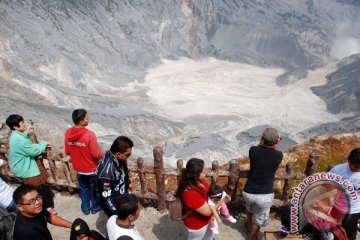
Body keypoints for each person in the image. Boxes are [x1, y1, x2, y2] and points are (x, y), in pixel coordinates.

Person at [6, 114, 56, 214]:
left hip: (21, 166)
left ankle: (43, 206)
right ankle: (46, 208)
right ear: (15, 126)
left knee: (36, 187)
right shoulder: (19, 139)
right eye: (22, 123)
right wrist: (43, 144)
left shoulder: (16, 135)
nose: (24, 125)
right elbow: (32, 151)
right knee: (39, 187)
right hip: (25, 167)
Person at [242, 127, 283, 240]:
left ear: (262, 139)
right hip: (264, 196)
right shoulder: (278, 155)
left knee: (249, 209)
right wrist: (277, 141)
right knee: (259, 219)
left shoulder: (253, 151)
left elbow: (260, 147)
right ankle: (252, 237)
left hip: (248, 192)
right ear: (276, 142)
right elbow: (274, 150)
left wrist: (264, 140)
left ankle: (249, 226)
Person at [65, 109, 103, 215]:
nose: (88, 119)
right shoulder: (89, 134)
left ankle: (86, 208)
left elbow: (68, 151)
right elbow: (96, 154)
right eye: (86, 117)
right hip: (91, 169)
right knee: (94, 189)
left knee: (83, 188)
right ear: (81, 121)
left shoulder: (68, 133)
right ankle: (95, 207)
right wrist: (104, 155)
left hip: (79, 169)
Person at [177, 158, 226, 240]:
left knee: (208, 237)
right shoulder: (190, 194)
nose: (206, 172)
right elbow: (208, 212)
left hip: (206, 221)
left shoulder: (198, 181)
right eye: (203, 172)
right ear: (196, 175)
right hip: (198, 225)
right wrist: (222, 199)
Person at [96, 136, 133, 217]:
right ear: (118, 154)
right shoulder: (106, 175)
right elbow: (107, 199)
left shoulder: (115, 156)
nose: (129, 156)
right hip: (113, 202)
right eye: (127, 155)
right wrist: (117, 214)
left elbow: (123, 170)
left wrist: (128, 182)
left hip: (119, 194)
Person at [329, 148, 360, 240]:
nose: (356, 169)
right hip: (336, 208)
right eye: (354, 166)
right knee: (332, 234)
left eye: (359, 167)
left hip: (355, 211)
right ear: (348, 160)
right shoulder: (337, 170)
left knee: (349, 236)